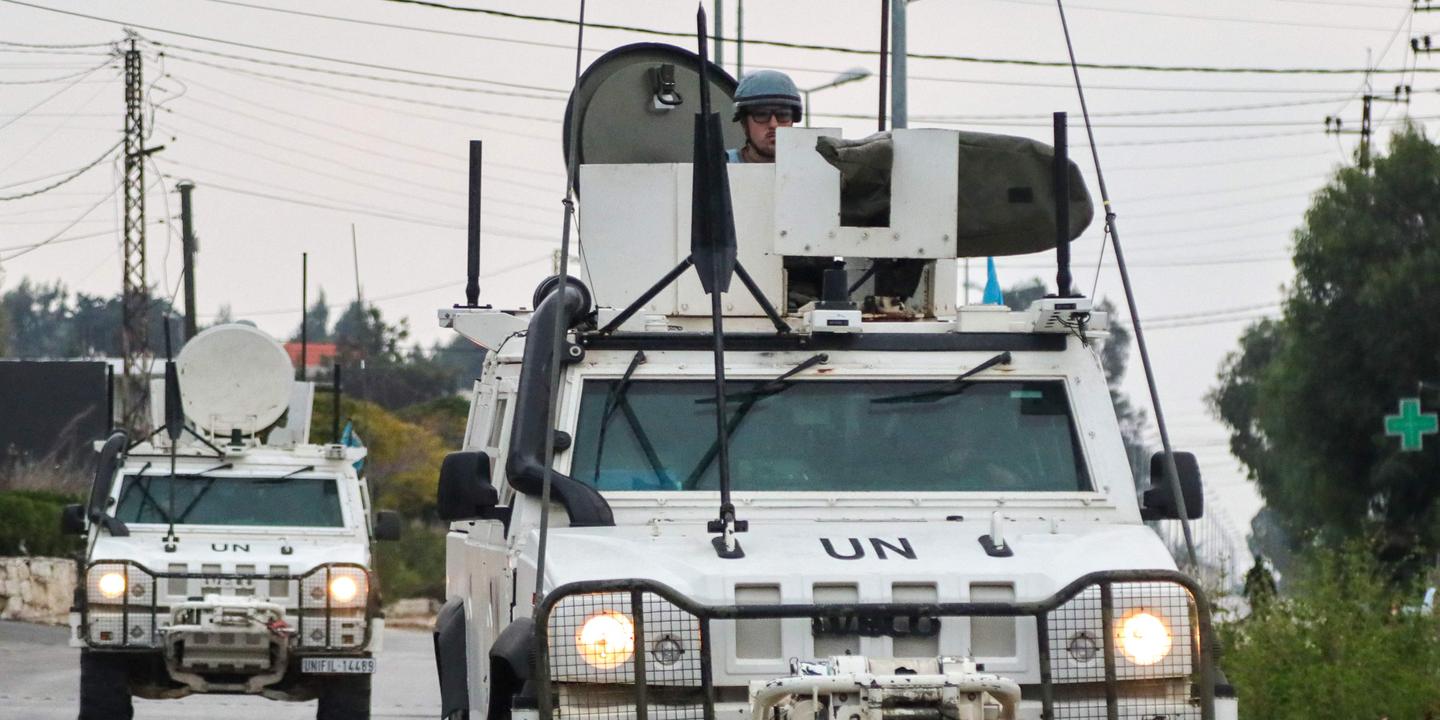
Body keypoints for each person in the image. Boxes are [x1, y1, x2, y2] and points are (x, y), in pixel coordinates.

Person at [726, 70, 803, 164]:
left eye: (783, 115)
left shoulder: (810, 171)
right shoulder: (718, 168)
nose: (773, 124)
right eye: (761, 115)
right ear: (744, 123)